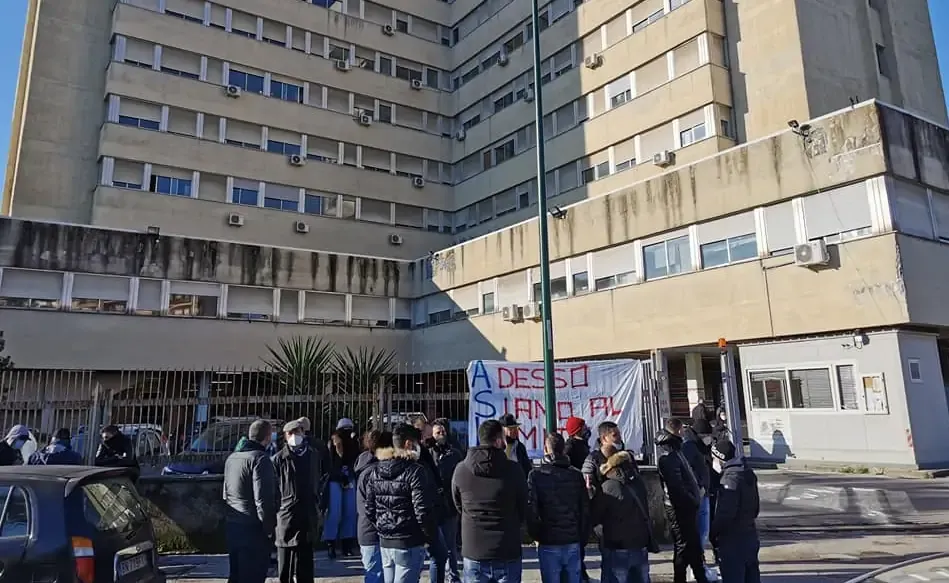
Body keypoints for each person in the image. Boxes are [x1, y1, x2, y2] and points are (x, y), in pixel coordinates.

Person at [452, 419, 528, 583]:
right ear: (499, 440)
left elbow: (458, 504)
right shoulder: (514, 470)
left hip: (474, 548)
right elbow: (523, 507)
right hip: (506, 548)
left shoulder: (461, 470)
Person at [364, 423, 437, 583]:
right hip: (409, 540)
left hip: (385, 541)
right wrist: (428, 535)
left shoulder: (375, 471)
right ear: (409, 444)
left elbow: (369, 509)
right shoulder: (415, 471)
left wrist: (383, 527)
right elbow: (422, 510)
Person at [526, 433, 589, 583]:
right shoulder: (575, 475)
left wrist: (537, 535)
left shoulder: (536, 475)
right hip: (572, 539)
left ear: (546, 449)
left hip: (549, 541)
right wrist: (581, 536)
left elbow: (531, 511)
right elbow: (585, 510)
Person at [271, 418, 327, 583]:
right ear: (286, 436)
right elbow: (273, 489)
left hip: (307, 515)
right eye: (291, 433)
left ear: (303, 433)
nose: (295, 436)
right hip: (286, 517)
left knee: (305, 565)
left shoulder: (313, 455)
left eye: (297, 432)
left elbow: (320, 479)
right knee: (284, 567)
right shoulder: (278, 459)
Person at [224, 419, 277, 583]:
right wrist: (269, 529)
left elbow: (225, 494)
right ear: (267, 437)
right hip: (253, 529)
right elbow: (263, 499)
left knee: (236, 576)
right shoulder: (261, 459)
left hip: (234, 526)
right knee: (253, 576)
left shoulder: (232, 458)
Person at [593, 450, 659, 583]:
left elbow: (595, 516)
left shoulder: (608, 487)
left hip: (617, 547)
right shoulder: (639, 483)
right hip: (640, 545)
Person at [656, 422, 709, 583]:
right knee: (683, 545)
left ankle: (700, 575)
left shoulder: (676, 450)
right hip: (680, 508)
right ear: (678, 431)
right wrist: (692, 500)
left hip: (686, 506)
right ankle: (682, 578)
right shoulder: (668, 455)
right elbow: (676, 487)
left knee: (692, 546)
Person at [710, 439, 761, 583]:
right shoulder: (747, 472)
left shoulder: (730, 479)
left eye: (714, 458)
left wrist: (713, 532)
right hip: (750, 535)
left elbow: (726, 514)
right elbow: (756, 508)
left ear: (720, 458)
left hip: (733, 540)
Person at [428, 420, 464, 583]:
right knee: (435, 548)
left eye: (443, 431)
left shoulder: (454, 452)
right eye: (437, 432)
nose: (441, 434)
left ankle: (453, 576)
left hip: (450, 504)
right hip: (433, 505)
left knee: (450, 546)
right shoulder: (427, 453)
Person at [357, 430, 394, 583]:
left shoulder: (364, 468)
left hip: (369, 531)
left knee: (376, 574)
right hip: (375, 533)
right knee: (376, 576)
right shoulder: (374, 472)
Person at [323, 421, 361, 558]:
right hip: (335, 479)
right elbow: (329, 463)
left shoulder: (354, 442)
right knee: (335, 512)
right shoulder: (332, 442)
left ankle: (347, 545)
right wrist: (339, 475)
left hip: (349, 478)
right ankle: (331, 545)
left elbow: (355, 460)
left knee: (350, 513)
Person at [581, 421, 627, 494]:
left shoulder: (626, 456)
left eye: (619, 434)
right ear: (604, 438)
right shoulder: (592, 459)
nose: (619, 438)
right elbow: (587, 486)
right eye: (615, 435)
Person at [498, 414, 532, 479]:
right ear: (502, 429)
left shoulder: (520, 447)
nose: (514, 431)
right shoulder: (496, 447)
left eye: (515, 428)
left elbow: (527, 469)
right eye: (510, 429)